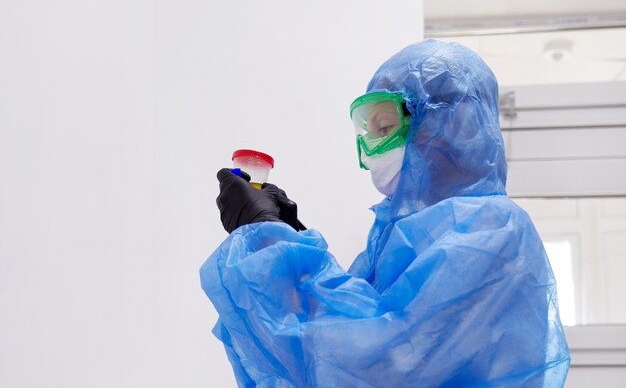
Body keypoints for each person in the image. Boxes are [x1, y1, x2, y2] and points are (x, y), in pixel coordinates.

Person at [200, 39, 570, 387]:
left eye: (386, 127)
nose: (372, 146)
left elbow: (380, 359)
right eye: (368, 130)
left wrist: (268, 238)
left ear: (450, 126)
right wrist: (288, 239)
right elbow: (324, 342)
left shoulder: (493, 230)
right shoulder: (400, 237)